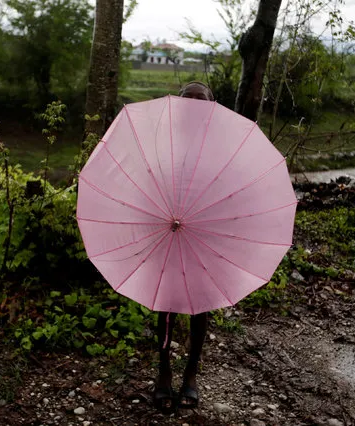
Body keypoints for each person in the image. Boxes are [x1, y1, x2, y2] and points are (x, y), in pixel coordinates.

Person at [154, 81, 215, 414]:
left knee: (200, 303)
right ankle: (164, 371)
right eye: (187, 98)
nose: (193, 103)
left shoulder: (220, 142)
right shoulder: (164, 139)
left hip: (204, 230)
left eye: (200, 99)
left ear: (211, 105)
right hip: (166, 225)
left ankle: (191, 371)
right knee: (165, 302)